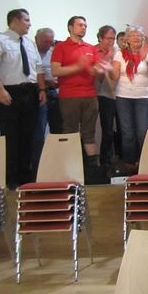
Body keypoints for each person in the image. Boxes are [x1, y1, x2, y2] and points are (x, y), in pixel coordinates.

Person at [0, 8, 46, 189]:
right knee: (10, 136)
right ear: (15, 20)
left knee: (28, 135)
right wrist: (0, 90)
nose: (29, 24)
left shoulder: (29, 43)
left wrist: (41, 89)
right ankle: (10, 178)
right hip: (8, 92)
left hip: (29, 92)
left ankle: (25, 178)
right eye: (26, 20)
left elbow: (38, 68)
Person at [51, 16, 103, 174]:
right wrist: (78, 67)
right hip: (69, 95)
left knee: (89, 132)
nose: (83, 28)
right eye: (80, 25)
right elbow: (55, 71)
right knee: (70, 130)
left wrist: (99, 70)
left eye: (85, 25)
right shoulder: (61, 47)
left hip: (90, 94)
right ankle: (69, 168)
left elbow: (98, 70)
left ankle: (93, 169)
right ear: (70, 27)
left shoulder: (91, 48)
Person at [109, 25, 148, 165]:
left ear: (143, 38)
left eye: (139, 35)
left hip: (143, 97)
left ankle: (145, 163)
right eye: (132, 35)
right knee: (127, 132)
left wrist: (146, 59)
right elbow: (114, 76)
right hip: (123, 97)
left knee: (142, 131)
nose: (136, 37)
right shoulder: (119, 54)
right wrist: (108, 68)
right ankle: (129, 163)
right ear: (127, 39)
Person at [31, 27, 62, 178]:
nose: (48, 44)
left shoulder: (52, 52)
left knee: (58, 129)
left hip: (53, 92)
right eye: (45, 41)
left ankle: (57, 165)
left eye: (51, 41)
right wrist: (46, 82)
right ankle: (37, 169)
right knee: (39, 132)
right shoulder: (30, 51)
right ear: (36, 39)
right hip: (37, 93)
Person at [95, 25, 117, 168]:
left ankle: (107, 162)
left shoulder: (117, 53)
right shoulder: (92, 51)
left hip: (111, 94)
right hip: (95, 93)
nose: (111, 42)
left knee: (110, 129)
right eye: (109, 38)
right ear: (100, 38)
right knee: (90, 129)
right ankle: (91, 161)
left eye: (113, 39)